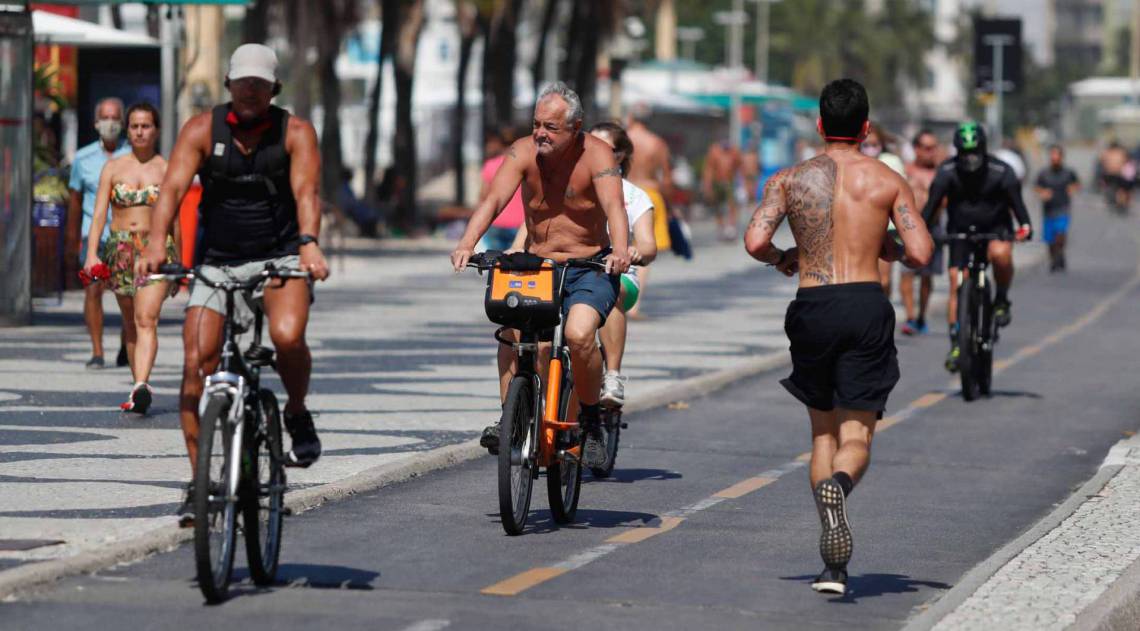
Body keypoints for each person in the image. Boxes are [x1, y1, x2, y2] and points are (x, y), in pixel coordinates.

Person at [744, 79, 933, 596]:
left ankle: (833, 567)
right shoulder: (888, 179)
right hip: (865, 304)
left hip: (813, 305)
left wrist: (784, 258)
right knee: (857, 438)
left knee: (822, 436)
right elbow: (920, 253)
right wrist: (890, 246)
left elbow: (755, 240)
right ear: (866, 128)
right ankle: (840, 486)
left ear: (820, 125)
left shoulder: (789, 179)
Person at [137, 44, 331, 525]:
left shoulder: (296, 132)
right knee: (195, 364)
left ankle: (296, 411)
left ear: (273, 88)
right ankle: (199, 482)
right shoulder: (201, 130)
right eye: (242, 82)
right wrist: (156, 243)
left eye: (259, 84)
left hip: (280, 257)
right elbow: (171, 190)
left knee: (287, 336)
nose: (249, 91)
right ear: (228, 84)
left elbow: (307, 192)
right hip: (218, 262)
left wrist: (309, 244)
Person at [451, 81, 631, 468]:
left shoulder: (597, 155)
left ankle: (591, 423)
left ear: (576, 127)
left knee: (579, 335)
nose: (540, 133)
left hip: (589, 266)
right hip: (538, 265)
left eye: (551, 127)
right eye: (536, 124)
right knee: (511, 333)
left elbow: (615, 207)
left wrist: (620, 250)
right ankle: (510, 417)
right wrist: (467, 243)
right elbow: (493, 200)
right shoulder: (523, 152)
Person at [506, 121, 658, 408]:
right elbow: (539, 221)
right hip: (563, 269)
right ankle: (536, 407)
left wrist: (633, 252)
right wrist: (515, 248)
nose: (595, 153)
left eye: (605, 148)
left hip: (612, 272)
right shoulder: (569, 182)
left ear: (620, 156)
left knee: (611, 292)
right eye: (588, 146)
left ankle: (612, 374)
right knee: (527, 323)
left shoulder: (634, 196)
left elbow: (649, 245)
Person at [83, 103, 177, 414]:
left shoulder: (167, 169)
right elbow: (99, 215)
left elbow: (175, 219)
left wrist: (180, 262)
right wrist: (92, 254)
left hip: (155, 249)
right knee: (130, 323)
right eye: (134, 126)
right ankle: (138, 387)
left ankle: (141, 384)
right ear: (128, 130)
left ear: (156, 130)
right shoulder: (113, 168)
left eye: (146, 126)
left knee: (146, 318)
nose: (139, 132)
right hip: (121, 250)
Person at [921, 121, 1032, 373]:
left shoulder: (1002, 171)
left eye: (975, 153)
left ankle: (1001, 299)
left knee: (1000, 254)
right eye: (965, 154)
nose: (970, 160)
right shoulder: (946, 171)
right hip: (960, 232)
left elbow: (1019, 208)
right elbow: (929, 209)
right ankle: (956, 343)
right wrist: (921, 232)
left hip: (995, 229)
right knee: (955, 280)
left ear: (983, 150)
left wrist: (1025, 227)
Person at [69, 97, 130, 370]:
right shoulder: (82, 159)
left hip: (124, 238)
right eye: (105, 118)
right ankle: (97, 351)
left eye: (115, 118)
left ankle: (126, 345)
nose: (110, 123)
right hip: (93, 237)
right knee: (93, 291)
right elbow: (74, 201)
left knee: (127, 295)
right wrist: (73, 241)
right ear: (96, 123)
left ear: (123, 122)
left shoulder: (133, 156)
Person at [625, 105, 674, 318]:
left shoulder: (620, 139)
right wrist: (670, 205)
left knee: (618, 245)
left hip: (623, 192)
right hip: (649, 193)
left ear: (630, 117)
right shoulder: (656, 143)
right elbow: (667, 178)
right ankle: (633, 306)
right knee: (644, 250)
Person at [899, 129, 945, 335]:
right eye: (927, 148)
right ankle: (910, 317)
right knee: (906, 273)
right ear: (916, 149)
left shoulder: (941, 173)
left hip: (933, 227)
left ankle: (921, 316)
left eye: (933, 148)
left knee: (927, 276)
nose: (931, 152)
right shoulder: (906, 171)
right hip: (909, 226)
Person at [861, 122, 906, 297]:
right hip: (861, 228)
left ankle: (883, 305)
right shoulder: (854, 161)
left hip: (887, 228)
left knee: (884, 279)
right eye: (866, 144)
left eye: (874, 144)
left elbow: (900, 192)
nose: (870, 149)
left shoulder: (891, 161)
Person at [1034, 145, 1080, 272]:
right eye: (1052, 155)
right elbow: (1037, 187)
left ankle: (1060, 253)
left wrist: (1072, 189)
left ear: (1061, 157)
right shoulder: (1044, 173)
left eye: (1057, 155)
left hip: (1062, 208)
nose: (1054, 158)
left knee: (1060, 233)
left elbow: (1076, 184)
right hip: (1048, 210)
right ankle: (1054, 258)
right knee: (1050, 239)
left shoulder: (1068, 173)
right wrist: (1043, 193)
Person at [480, 127, 525, 250]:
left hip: (496, 223)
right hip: (521, 226)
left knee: (495, 260)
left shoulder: (490, 165)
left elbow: (483, 197)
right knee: (519, 261)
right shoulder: (526, 166)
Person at [702, 139, 743, 241]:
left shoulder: (734, 152)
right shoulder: (714, 151)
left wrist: (741, 184)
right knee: (718, 207)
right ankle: (721, 228)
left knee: (732, 204)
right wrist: (707, 186)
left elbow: (740, 167)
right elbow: (709, 169)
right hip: (717, 182)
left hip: (730, 182)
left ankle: (731, 228)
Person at [1099, 141, 1133, 212]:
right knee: (1121, 189)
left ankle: (1116, 202)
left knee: (1113, 188)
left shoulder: (1106, 152)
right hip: (1118, 174)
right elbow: (1126, 161)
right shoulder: (1121, 152)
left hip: (1108, 174)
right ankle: (1121, 203)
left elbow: (1102, 162)